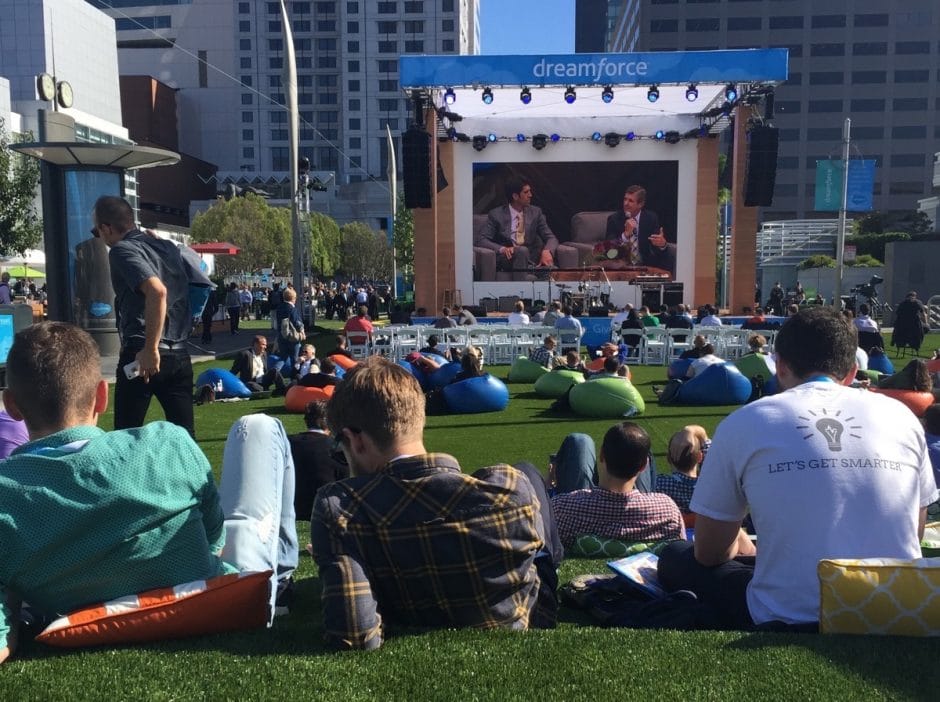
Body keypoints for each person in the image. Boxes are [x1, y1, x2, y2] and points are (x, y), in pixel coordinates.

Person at [0, 322, 300, 663]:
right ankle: (282, 581)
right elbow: (214, 538)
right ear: (102, 395)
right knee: (257, 426)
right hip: (219, 601)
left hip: (83, 617)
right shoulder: (167, 441)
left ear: (11, 405)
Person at [657, 306, 937, 630]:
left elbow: (709, 553)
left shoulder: (746, 421)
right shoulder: (901, 417)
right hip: (896, 604)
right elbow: (914, 531)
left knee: (676, 556)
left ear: (780, 366)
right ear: (851, 372)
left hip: (789, 611)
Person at [310, 357, 558, 650]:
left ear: (355, 440)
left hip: (407, 598)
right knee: (528, 470)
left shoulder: (340, 508)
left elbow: (355, 635)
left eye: (340, 448)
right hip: (519, 613)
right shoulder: (511, 488)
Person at [93, 195, 195, 436]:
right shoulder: (167, 247)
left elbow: (157, 291)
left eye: (97, 231)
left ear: (107, 228)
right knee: (185, 440)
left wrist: (150, 349)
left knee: (125, 439)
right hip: (178, 351)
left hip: (143, 351)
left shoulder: (121, 250)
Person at [548, 423, 666, 525]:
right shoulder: (665, 510)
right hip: (640, 515)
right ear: (644, 465)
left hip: (581, 513)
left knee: (580, 441)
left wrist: (547, 488)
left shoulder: (562, 507)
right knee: (637, 446)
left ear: (601, 455)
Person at [479, 177, 559, 280]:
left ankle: (533, 278)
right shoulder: (496, 215)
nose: (530, 195)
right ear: (515, 196)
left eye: (530, 191)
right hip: (509, 259)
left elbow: (551, 237)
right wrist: (503, 249)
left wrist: (547, 251)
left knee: (554, 271)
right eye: (526, 192)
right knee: (521, 251)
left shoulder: (536, 212)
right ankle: (522, 287)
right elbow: (481, 239)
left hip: (531, 260)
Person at [289, 400, 348, 521]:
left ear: (306, 421)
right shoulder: (338, 447)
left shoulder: (287, 443)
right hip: (327, 506)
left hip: (292, 505)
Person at [603, 185, 676, 275]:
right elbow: (609, 251)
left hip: (644, 266)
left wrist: (662, 244)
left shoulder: (651, 219)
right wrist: (625, 235)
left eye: (630, 201)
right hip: (621, 267)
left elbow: (655, 249)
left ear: (640, 204)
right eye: (625, 199)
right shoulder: (614, 219)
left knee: (668, 257)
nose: (626, 203)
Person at [655, 426, 710, 514]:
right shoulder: (711, 484)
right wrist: (688, 430)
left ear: (668, 458)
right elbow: (705, 440)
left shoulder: (659, 484)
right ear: (700, 457)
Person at [275, 287, 305, 377]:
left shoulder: (279, 308)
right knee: (294, 359)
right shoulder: (292, 309)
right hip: (292, 337)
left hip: (282, 335)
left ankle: (274, 370)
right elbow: (296, 322)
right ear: (293, 298)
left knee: (283, 357)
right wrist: (302, 331)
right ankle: (294, 377)